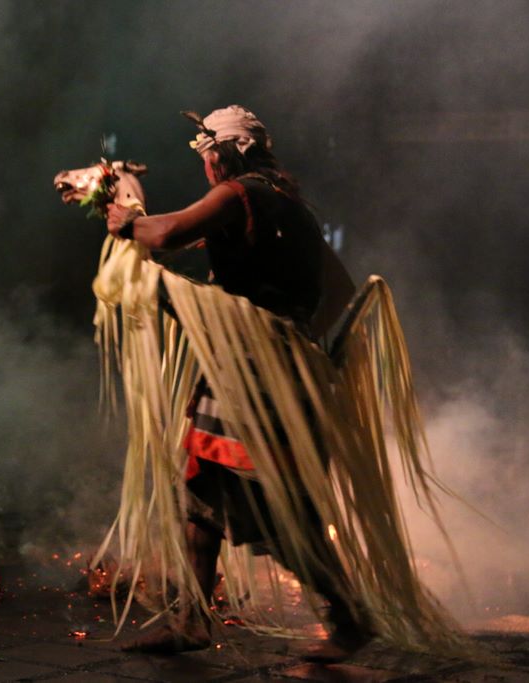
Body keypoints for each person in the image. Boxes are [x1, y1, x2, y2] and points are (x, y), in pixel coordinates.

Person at [104, 105, 367, 661]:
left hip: (258, 373)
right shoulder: (286, 200)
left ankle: (351, 616)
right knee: (199, 489)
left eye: (205, 157)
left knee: (277, 508)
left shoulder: (242, 192)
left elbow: (169, 232)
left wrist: (125, 218)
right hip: (254, 366)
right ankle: (192, 620)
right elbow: (325, 289)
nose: (204, 169)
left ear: (221, 152)